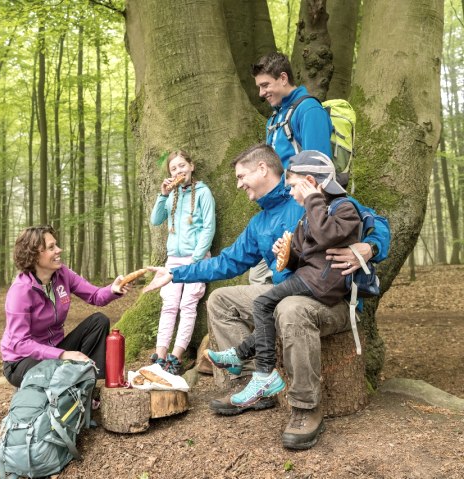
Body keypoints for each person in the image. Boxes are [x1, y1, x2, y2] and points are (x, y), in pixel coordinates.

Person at [143, 144, 390, 450]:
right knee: (221, 300)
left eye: (241, 175)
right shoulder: (259, 222)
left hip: (332, 300)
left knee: (290, 308)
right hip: (287, 291)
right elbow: (227, 262)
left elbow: (376, 222)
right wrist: (176, 274)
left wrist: (370, 248)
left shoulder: (308, 193)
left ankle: (305, 408)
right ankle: (255, 384)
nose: (238, 183)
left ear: (262, 169)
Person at [206, 150, 361, 408]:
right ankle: (247, 365)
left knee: (266, 304)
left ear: (309, 182)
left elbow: (326, 236)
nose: (289, 193)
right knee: (265, 304)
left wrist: (312, 199)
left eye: (293, 187)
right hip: (310, 279)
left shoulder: (342, 207)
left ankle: (263, 373)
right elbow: (304, 255)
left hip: (323, 286)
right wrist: (286, 254)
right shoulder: (308, 215)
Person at [0, 225, 129, 388]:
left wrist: (113, 289)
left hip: (55, 350)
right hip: (21, 361)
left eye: (57, 245)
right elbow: (20, 343)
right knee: (60, 368)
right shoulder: (20, 291)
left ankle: (94, 387)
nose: (59, 250)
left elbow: (95, 296)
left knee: (99, 321)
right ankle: (71, 384)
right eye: (51, 247)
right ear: (33, 255)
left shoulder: (63, 274)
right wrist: (63, 354)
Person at [249, 51, 334, 285]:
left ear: (283, 78)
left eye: (265, 85)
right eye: (259, 87)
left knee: (283, 278)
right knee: (259, 278)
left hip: (298, 209)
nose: (261, 93)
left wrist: (307, 216)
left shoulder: (308, 111)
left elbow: (319, 170)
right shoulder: (273, 121)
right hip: (274, 213)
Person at [149, 150, 216, 374]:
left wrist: (197, 259)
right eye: (173, 169)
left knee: (188, 306)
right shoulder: (171, 196)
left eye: (181, 166)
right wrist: (163, 194)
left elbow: (208, 227)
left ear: (191, 166)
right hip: (173, 259)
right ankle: (159, 355)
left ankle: (175, 356)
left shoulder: (203, 193)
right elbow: (156, 220)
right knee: (169, 305)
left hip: (196, 259)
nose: (178, 171)